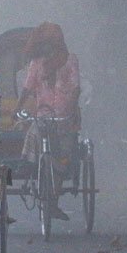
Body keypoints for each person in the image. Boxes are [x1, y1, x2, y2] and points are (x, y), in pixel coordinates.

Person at [14, 22, 80, 221]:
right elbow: (27, 87)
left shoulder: (70, 61)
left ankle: (53, 203)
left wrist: (74, 108)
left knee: (62, 158)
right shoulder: (36, 63)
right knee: (34, 132)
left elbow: (76, 87)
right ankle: (28, 164)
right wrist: (18, 107)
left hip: (64, 116)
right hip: (43, 114)